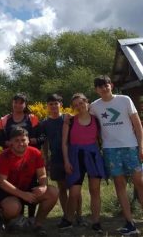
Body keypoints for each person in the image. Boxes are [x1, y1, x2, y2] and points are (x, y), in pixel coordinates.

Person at [90, 75, 143, 235]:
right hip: (110, 150)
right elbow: (86, 121)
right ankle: (130, 223)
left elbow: (137, 124)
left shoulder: (125, 100)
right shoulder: (94, 106)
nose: (104, 88)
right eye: (100, 86)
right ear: (96, 90)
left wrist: (141, 145)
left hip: (130, 147)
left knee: (139, 183)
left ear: (111, 85)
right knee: (119, 186)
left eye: (106, 85)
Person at [0, 127, 58, 236]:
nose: (20, 143)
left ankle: (37, 224)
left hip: (29, 190)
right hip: (9, 193)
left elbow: (42, 174)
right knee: (13, 208)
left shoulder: (35, 153)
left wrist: (43, 186)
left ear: (28, 140)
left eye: (23, 140)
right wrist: (23, 195)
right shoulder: (4, 156)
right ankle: (6, 222)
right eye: (17, 140)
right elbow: (1, 182)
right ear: (11, 142)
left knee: (53, 192)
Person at [60, 93, 106, 233]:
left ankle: (96, 222)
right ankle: (69, 220)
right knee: (74, 193)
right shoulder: (70, 121)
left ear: (87, 102)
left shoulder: (97, 120)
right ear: (73, 108)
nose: (79, 107)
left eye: (81, 103)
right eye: (76, 105)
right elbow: (64, 143)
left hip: (93, 156)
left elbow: (102, 139)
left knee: (95, 190)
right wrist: (66, 161)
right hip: (75, 157)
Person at [0, 93, 44, 220]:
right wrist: (12, 145)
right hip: (9, 159)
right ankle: (19, 216)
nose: (18, 105)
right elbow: (0, 140)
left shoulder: (32, 118)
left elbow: (41, 137)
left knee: (32, 185)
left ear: (25, 104)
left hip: (30, 158)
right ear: (12, 103)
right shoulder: (4, 119)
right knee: (15, 186)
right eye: (15, 102)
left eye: (21, 102)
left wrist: (29, 142)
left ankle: (32, 218)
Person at [40, 94, 85, 227]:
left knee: (75, 187)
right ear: (47, 106)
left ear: (61, 104)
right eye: (51, 104)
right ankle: (67, 215)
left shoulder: (68, 118)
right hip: (56, 158)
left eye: (56, 103)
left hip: (72, 156)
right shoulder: (44, 123)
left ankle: (80, 215)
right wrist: (45, 158)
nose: (54, 106)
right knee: (62, 187)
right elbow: (45, 142)